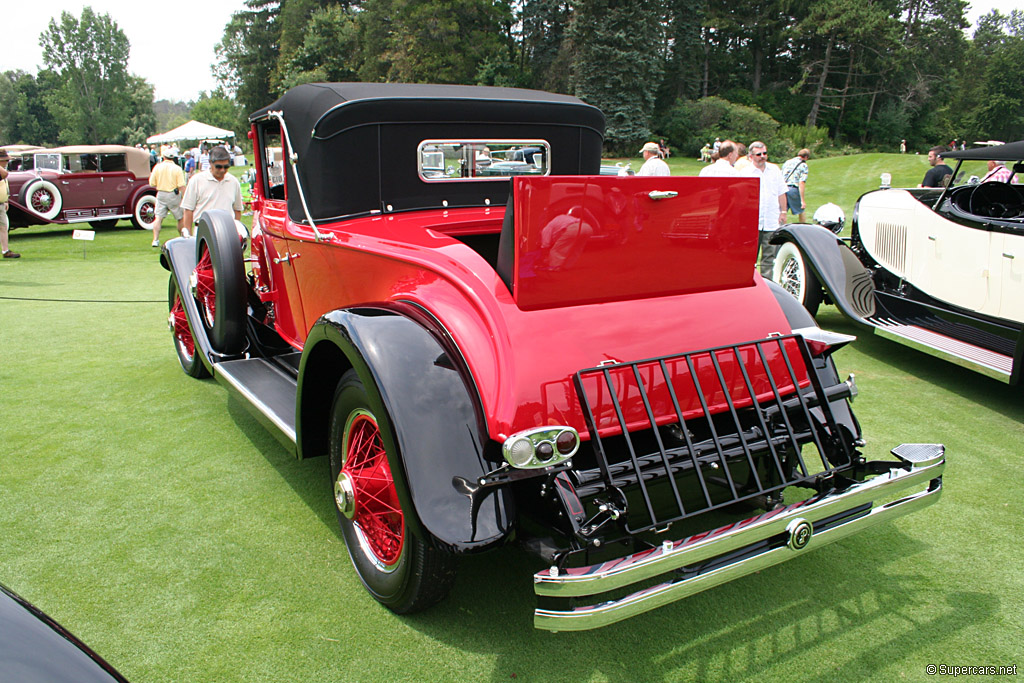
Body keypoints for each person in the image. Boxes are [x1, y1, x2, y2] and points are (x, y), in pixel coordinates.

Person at [740, 141, 787, 277]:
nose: (762, 156)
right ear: (751, 156)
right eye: (759, 154)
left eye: (765, 153)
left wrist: (783, 212)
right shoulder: (745, 173)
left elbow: (781, 192)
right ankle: (749, 280)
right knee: (750, 255)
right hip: (753, 220)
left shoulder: (774, 170)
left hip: (771, 219)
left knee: (769, 255)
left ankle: (768, 283)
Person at [180, 146, 243, 238]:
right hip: (203, 232)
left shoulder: (233, 182)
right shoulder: (196, 180)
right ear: (210, 163)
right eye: (218, 167)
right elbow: (188, 210)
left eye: (226, 167)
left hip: (227, 232)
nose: (223, 170)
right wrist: (188, 236)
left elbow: (237, 209)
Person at [148, 149, 187, 247]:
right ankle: (182, 237)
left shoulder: (157, 167)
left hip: (161, 193)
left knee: (158, 217)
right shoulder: (177, 168)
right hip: (173, 194)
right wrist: (185, 197)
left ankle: (155, 240)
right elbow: (181, 185)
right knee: (180, 218)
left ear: (163, 157)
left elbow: (152, 183)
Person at [0, 149, 21, 259]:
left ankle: (5, 250)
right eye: (5, 160)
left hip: (1, 204)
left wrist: (5, 200)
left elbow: (4, 186)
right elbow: (5, 174)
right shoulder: (2, 171)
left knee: (4, 227)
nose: (7, 162)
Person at [781, 148, 810, 223]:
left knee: (783, 211)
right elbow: (801, 182)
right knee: (801, 211)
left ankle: (780, 230)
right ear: (806, 157)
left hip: (782, 188)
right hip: (792, 189)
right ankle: (803, 228)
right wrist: (802, 201)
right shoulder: (803, 165)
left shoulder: (787, 162)